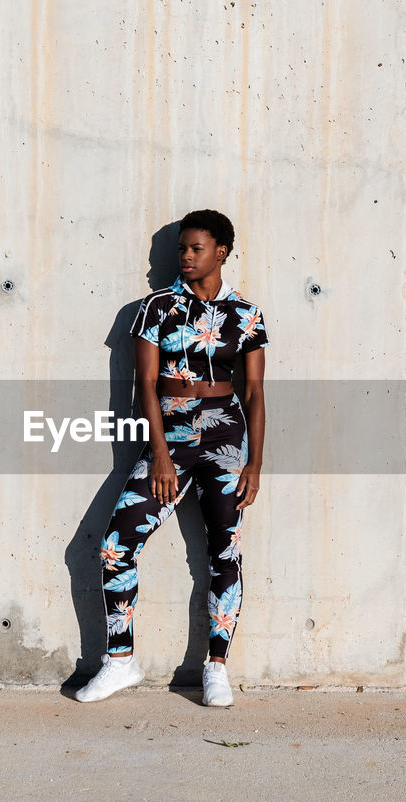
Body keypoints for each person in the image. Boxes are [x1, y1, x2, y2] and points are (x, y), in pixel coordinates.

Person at [77, 209, 269, 706]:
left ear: (221, 252)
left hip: (227, 436)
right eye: (181, 248)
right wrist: (159, 455)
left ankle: (217, 668)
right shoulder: (156, 307)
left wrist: (254, 463)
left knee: (224, 552)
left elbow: (254, 391)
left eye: (195, 248)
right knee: (116, 545)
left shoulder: (247, 314)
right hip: (172, 437)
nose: (185, 256)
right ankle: (120, 662)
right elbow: (142, 384)